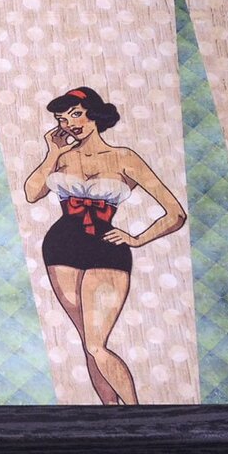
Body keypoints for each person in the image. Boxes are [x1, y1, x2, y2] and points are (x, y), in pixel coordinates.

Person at [22, 84, 187, 404]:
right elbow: (31, 193)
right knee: (88, 342)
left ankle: (136, 415)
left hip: (106, 248)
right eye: (62, 119)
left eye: (76, 114)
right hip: (61, 248)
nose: (70, 123)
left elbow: (176, 214)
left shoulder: (124, 157)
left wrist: (138, 239)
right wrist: (52, 152)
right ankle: (110, 413)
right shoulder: (61, 157)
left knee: (97, 344)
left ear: (94, 114)